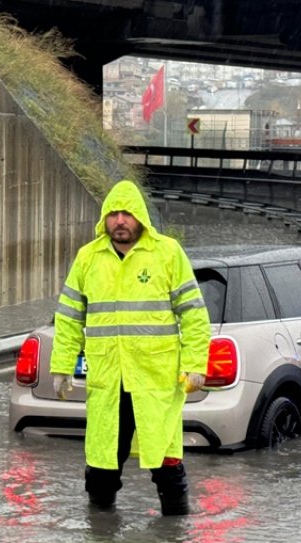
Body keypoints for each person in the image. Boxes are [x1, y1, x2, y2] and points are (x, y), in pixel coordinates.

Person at [49, 180, 211, 516]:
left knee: (166, 463)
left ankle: (173, 540)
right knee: (102, 464)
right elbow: (68, 318)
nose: (119, 220)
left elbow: (194, 314)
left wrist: (196, 364)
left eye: (127, 213)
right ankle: (101, 542)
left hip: (155, 382)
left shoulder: (167, 253)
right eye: (113, 214)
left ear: (139, 217)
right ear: (104, 219)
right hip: (108, 381)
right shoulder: (88, 258)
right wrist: (62, 367)